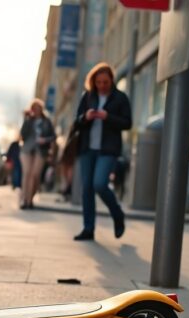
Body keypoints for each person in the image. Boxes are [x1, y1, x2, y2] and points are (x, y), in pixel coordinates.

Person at [73, 62, 132, 241]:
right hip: (87, 149)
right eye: (98, 82)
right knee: (87, 189)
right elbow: (77, 121)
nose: (102, 85)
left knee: (99, 184)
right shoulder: (88, 97)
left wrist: (108, 117)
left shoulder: (120, 98)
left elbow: (127, 123)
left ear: (111, 80)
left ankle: (117, 214)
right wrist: (86, 117)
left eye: (105, 82)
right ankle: (88, 228)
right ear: (93, 82)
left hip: (108, 150)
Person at [18, 99, 56, 209]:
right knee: (27, 173)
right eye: (34, 108)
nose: (36, 110)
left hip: (41, 150)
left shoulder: (47, 121)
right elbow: (22, 135)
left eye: (38, 108)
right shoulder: (29, 120)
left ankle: (31, 199)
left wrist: (45, 140)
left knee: (35, 175)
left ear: (41, 109)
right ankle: (24, 200)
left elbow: (53, 136)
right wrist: (26, 119)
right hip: (27, 149)